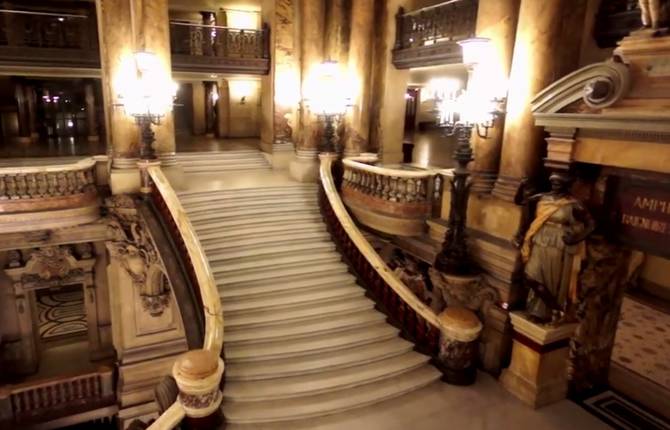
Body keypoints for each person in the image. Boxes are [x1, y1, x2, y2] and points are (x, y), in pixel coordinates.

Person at [515, 173, 595, 323]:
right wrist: (521, 186)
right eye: (553, 183)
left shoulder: (573, 204)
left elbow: (591, 224)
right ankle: (556, 308)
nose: (555, 186)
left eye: (559, 184)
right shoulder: (542, 198)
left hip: (558, 245)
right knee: (530, 276)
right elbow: (520, 201)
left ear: (566, 186)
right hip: (540, 239)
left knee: (550, 280)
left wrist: (577, 237)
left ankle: (543, 312)